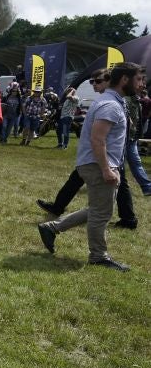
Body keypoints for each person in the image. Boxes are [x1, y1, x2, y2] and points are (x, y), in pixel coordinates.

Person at [37, 62, 144, 272]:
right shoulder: (110, 105)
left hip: (100, 163)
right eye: (138, 79)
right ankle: (98, 256)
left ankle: (51, 228)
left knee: (97, 209)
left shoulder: (113, 101)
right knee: (102, 214)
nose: (141, 84)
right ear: (124, 80)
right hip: (98, 164)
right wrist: (106, 169)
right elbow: (98, 140)